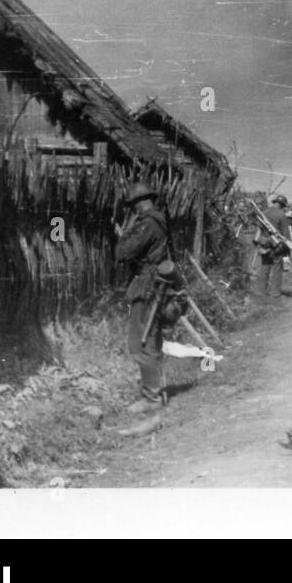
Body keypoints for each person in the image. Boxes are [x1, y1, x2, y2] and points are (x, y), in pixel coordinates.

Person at [114, 182, 171, 432]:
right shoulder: (159, 221)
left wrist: (123, 234)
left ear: (138, 204)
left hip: (147, 285)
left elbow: (123, 253)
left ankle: (152, 398)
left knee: (140, 342)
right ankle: (156, 392)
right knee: (152, 340)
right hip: (154, 285)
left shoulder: (147, 224)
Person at [253, 194, 292, 301]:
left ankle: (260, 291)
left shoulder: (264, 212)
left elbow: (259, 229)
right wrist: (287, 248)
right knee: (277, 268)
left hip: (265, 243)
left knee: (264, 267)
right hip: (276, 245)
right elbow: (285, 234)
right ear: (282, 205)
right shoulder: (282, 215)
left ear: (274, 202)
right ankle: (275, 293)